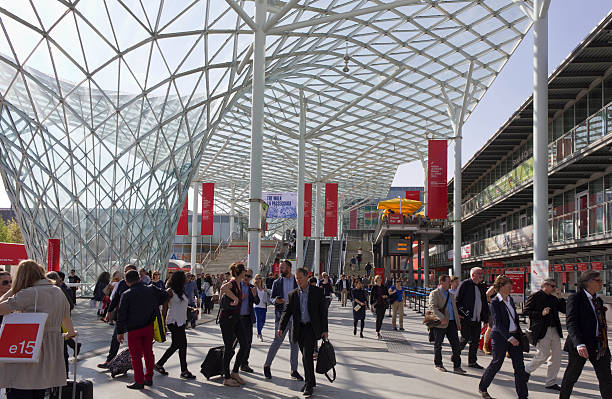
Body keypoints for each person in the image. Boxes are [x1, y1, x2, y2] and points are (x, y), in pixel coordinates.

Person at [0, 260, 77, 399]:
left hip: (27, 347)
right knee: (39, 391)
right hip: (50, 351)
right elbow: (67, 320)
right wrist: (70, 334)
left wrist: (12, 290)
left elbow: (1, 309)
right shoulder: (58, 292)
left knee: (20, 388)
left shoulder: (29, 293)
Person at [560, 270, 611, 399]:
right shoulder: (575, 298)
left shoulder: (598, 300)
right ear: (588, 282)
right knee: (571, 377)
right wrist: (579, 344)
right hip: (581, 346)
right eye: (598, 281)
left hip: (600, 346)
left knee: (606, 379)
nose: (602, 283)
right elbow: (571, 323)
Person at [278, 268, 329, 397]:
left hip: (311, 329)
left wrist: (325, 330)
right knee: (305, 355)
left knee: (307, 356)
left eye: (300, 277)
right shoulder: (293, 294)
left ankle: (308, 384)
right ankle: (311, 380)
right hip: (299, 329)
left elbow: (323, 312)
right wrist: (281, 328)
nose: (298, 280)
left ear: (307, 277)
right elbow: (286, 312)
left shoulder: (317, 292)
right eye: (296, 278)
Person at [116, 270, 168, 389]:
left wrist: (120, 332)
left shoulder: (126, 294)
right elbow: (165, 295)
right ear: (139, 278)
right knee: (148, 353)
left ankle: (139, 381)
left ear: (127, 281)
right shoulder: (151, 289)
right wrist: (155, 304)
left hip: (134, 330)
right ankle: (148, 378)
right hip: (148, 326)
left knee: (136, 356)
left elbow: (121, 315)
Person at [478, 275, 528, 399]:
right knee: (497, 363)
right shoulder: (495, 302)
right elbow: (498, 323)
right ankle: (483, 387)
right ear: (500, 287)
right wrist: (509, 338)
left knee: (519, 367)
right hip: (500, 337)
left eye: (511, 285)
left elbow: (514, 318)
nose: (511, 287)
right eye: (508, 285)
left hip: (514, 335)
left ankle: (523, 396)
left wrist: (517, 334)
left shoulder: (510, 299)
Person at [523, 278, 566, 391]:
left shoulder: (554, 298)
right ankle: (527, 370)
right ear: (545, 285)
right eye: (552, 286)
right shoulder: (535, 296)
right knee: (544, 354)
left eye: (555, 286)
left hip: (554, 329)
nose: (554, 288)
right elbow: (526, 311)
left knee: (556, 357)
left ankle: (551, 382)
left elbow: (564, 309)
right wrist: (541, 313)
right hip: (542, 330)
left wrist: (560, 296)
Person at [263, 260, 301, 381]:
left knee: (294, 344)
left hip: (295, 318)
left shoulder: (297, 281)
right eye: (280, 267)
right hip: (281, 317)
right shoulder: (277, 282)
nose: (280, 269)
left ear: (289, 268)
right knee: (277, 342)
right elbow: (272, 298)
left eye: (283, 267)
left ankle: (294, 370)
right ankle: (267, 365)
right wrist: (276, 301)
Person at [154, 271, 196, 379]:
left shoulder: (181, 291)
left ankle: (160, 364)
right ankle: (184, 370)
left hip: (181, 321)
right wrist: (162, 324)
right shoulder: (170, 291)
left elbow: (181, 304)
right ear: (180, 279)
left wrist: (191, 309)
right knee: (182, 345)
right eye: (185, 277)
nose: (188, 278)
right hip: (173, 321)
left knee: (176, 345)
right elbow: (164, 308)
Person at [98, 263, 138, 369]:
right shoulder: (121, 283)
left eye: (127, 271)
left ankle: (133, 361)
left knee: (134, 340)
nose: (125, 273)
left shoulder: (141, 285)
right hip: (122, 316)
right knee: (115, 338)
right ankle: (110, 360)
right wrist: (109, 312)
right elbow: (115, 298)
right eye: (124, 271)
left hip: (135, 317)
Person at [218, 262, 250, 387]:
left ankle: (235, 371)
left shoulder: (239, 283)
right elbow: (223, 289)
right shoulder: (232, 282)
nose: (246, 274)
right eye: (245, 272)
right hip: (227, 319)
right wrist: (235, 298)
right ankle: (226, 377)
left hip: (236, 318)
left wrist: (237, 298)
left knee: (245, 344)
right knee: (228, 347)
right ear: (241, 272)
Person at [428, 275, 464, 374]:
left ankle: (457, 366)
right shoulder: (434, 293)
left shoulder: (451, 294)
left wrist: (458, 322)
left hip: (452, 323)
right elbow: (432, 307)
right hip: (441, 323)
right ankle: (438, 364)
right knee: (438, 344)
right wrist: (441, 317)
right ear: (442, 282)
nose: (450, 283)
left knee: (456, 345)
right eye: (448, 281)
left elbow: (454, 310)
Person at [456, 267, 489, 369]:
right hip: (466, 318)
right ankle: (455, 355)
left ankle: (472, 362)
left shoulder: (482, 286)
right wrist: (459, 313)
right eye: (479, 273)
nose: (481, 275)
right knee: (464, 338)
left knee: (475, 341)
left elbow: (484, 303)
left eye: (482, 273)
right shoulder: (465, 284)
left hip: (477, 319)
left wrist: (486, 319)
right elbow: (457, 300)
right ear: (473, 275)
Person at [238, 269, 260, 373]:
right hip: (236, 317)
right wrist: (239, 298)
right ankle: (225, 364)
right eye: (245, 275)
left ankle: (244, 363)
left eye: (249, 276)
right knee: (232, 343)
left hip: (247, 318)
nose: (247, 278)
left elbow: (257, 301)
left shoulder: (252, 288)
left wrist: (255, 295)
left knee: (247, 342)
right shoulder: (237, 285)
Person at [370, 275, 388, 339]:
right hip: (377, 304)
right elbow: (371, 296)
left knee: (381, 318)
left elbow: (387, 294)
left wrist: (385, 296)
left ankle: (378, 330)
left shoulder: (384, 287)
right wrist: (371, 305)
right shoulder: (374, 287)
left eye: (380, 278)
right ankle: (377, 332)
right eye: (378, 278)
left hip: (383, 304)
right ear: (376, 279)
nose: (379, 279)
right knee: (378, 318)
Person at [253, 274, 270, 341]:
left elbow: (270, 292)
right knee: (258, 320)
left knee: (263, 321)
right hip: (256, 306)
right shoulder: (254, 287)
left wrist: (266, 290)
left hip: (263, 306)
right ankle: (259, 333)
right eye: (257, 278)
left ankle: (259, 331)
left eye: (259, 278)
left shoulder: (264, 287)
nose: (258, 280)